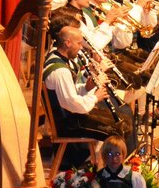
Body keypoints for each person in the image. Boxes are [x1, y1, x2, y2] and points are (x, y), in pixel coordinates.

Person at [43, 24, 134, 167]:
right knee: (120, 127)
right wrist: (95, 97)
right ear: (68, 43)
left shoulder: (57, 58)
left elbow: (69, 93)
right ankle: (115, 169)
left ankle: (122, 165)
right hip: (69, 123)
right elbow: (71, 103)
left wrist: (86, 88)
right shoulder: (60, 71)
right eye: (79, 43)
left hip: (71, 116)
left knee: (124, 117)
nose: (81, 47)